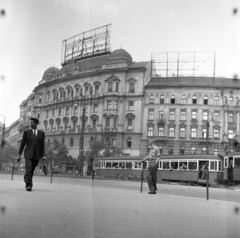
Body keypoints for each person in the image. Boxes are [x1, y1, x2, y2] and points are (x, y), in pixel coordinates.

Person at [17, 118, 46, 191]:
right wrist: (19, 154)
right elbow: (22, 144)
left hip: (37, 154)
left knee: (31, 169)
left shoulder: (41, 133)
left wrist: (43, 155)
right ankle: (29, 184)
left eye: (32, 123)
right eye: (30, 123)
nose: (30, 124)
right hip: (28, 154)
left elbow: (42, 145)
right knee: (29, 168)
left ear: (36, 124)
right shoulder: (26, 132)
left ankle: (27, 178)